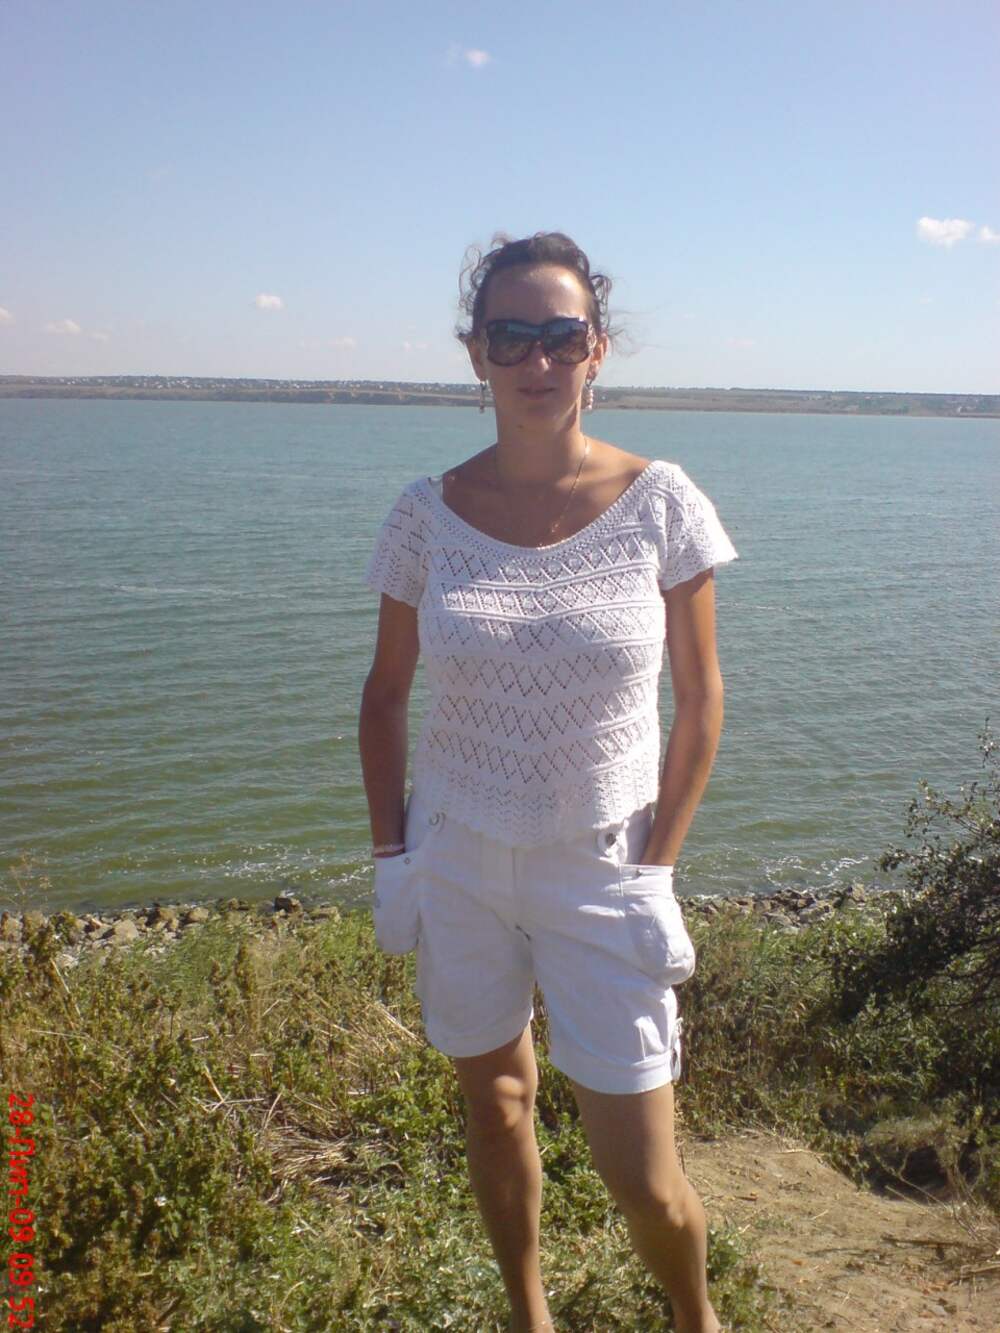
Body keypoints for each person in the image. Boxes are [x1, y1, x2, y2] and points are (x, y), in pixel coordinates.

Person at [358, 231, 737, 1333]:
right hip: (458, 854)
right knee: (495, 1106)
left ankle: (696, 1318)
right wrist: (392, 858)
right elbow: (384, 694)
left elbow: (701, 700)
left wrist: (656, 871)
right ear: (476, 351)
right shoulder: (424, 513)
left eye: (560, 336)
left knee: (644, 1176)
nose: (536, 360)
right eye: (510, 335)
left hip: (603, 864)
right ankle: (530, 1317)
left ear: (595, 349)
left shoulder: (661, 502)